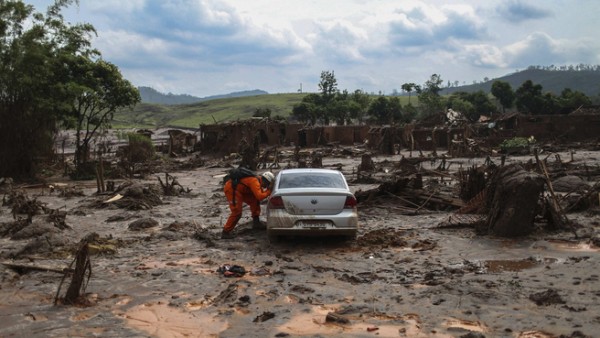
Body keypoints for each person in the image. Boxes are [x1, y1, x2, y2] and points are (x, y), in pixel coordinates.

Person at [221, 171, 275, 239]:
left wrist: (267, 191)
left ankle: (256, 222)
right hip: (231, 189)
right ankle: (225, 232)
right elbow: (260, 196)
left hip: (241, 190)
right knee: (237, 212)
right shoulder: (254, 182)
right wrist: (269, 191)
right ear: (265, 181)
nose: (266, 186)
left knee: (255, 200)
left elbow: (259, 195)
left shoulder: (258, 181)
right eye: (268, 184)